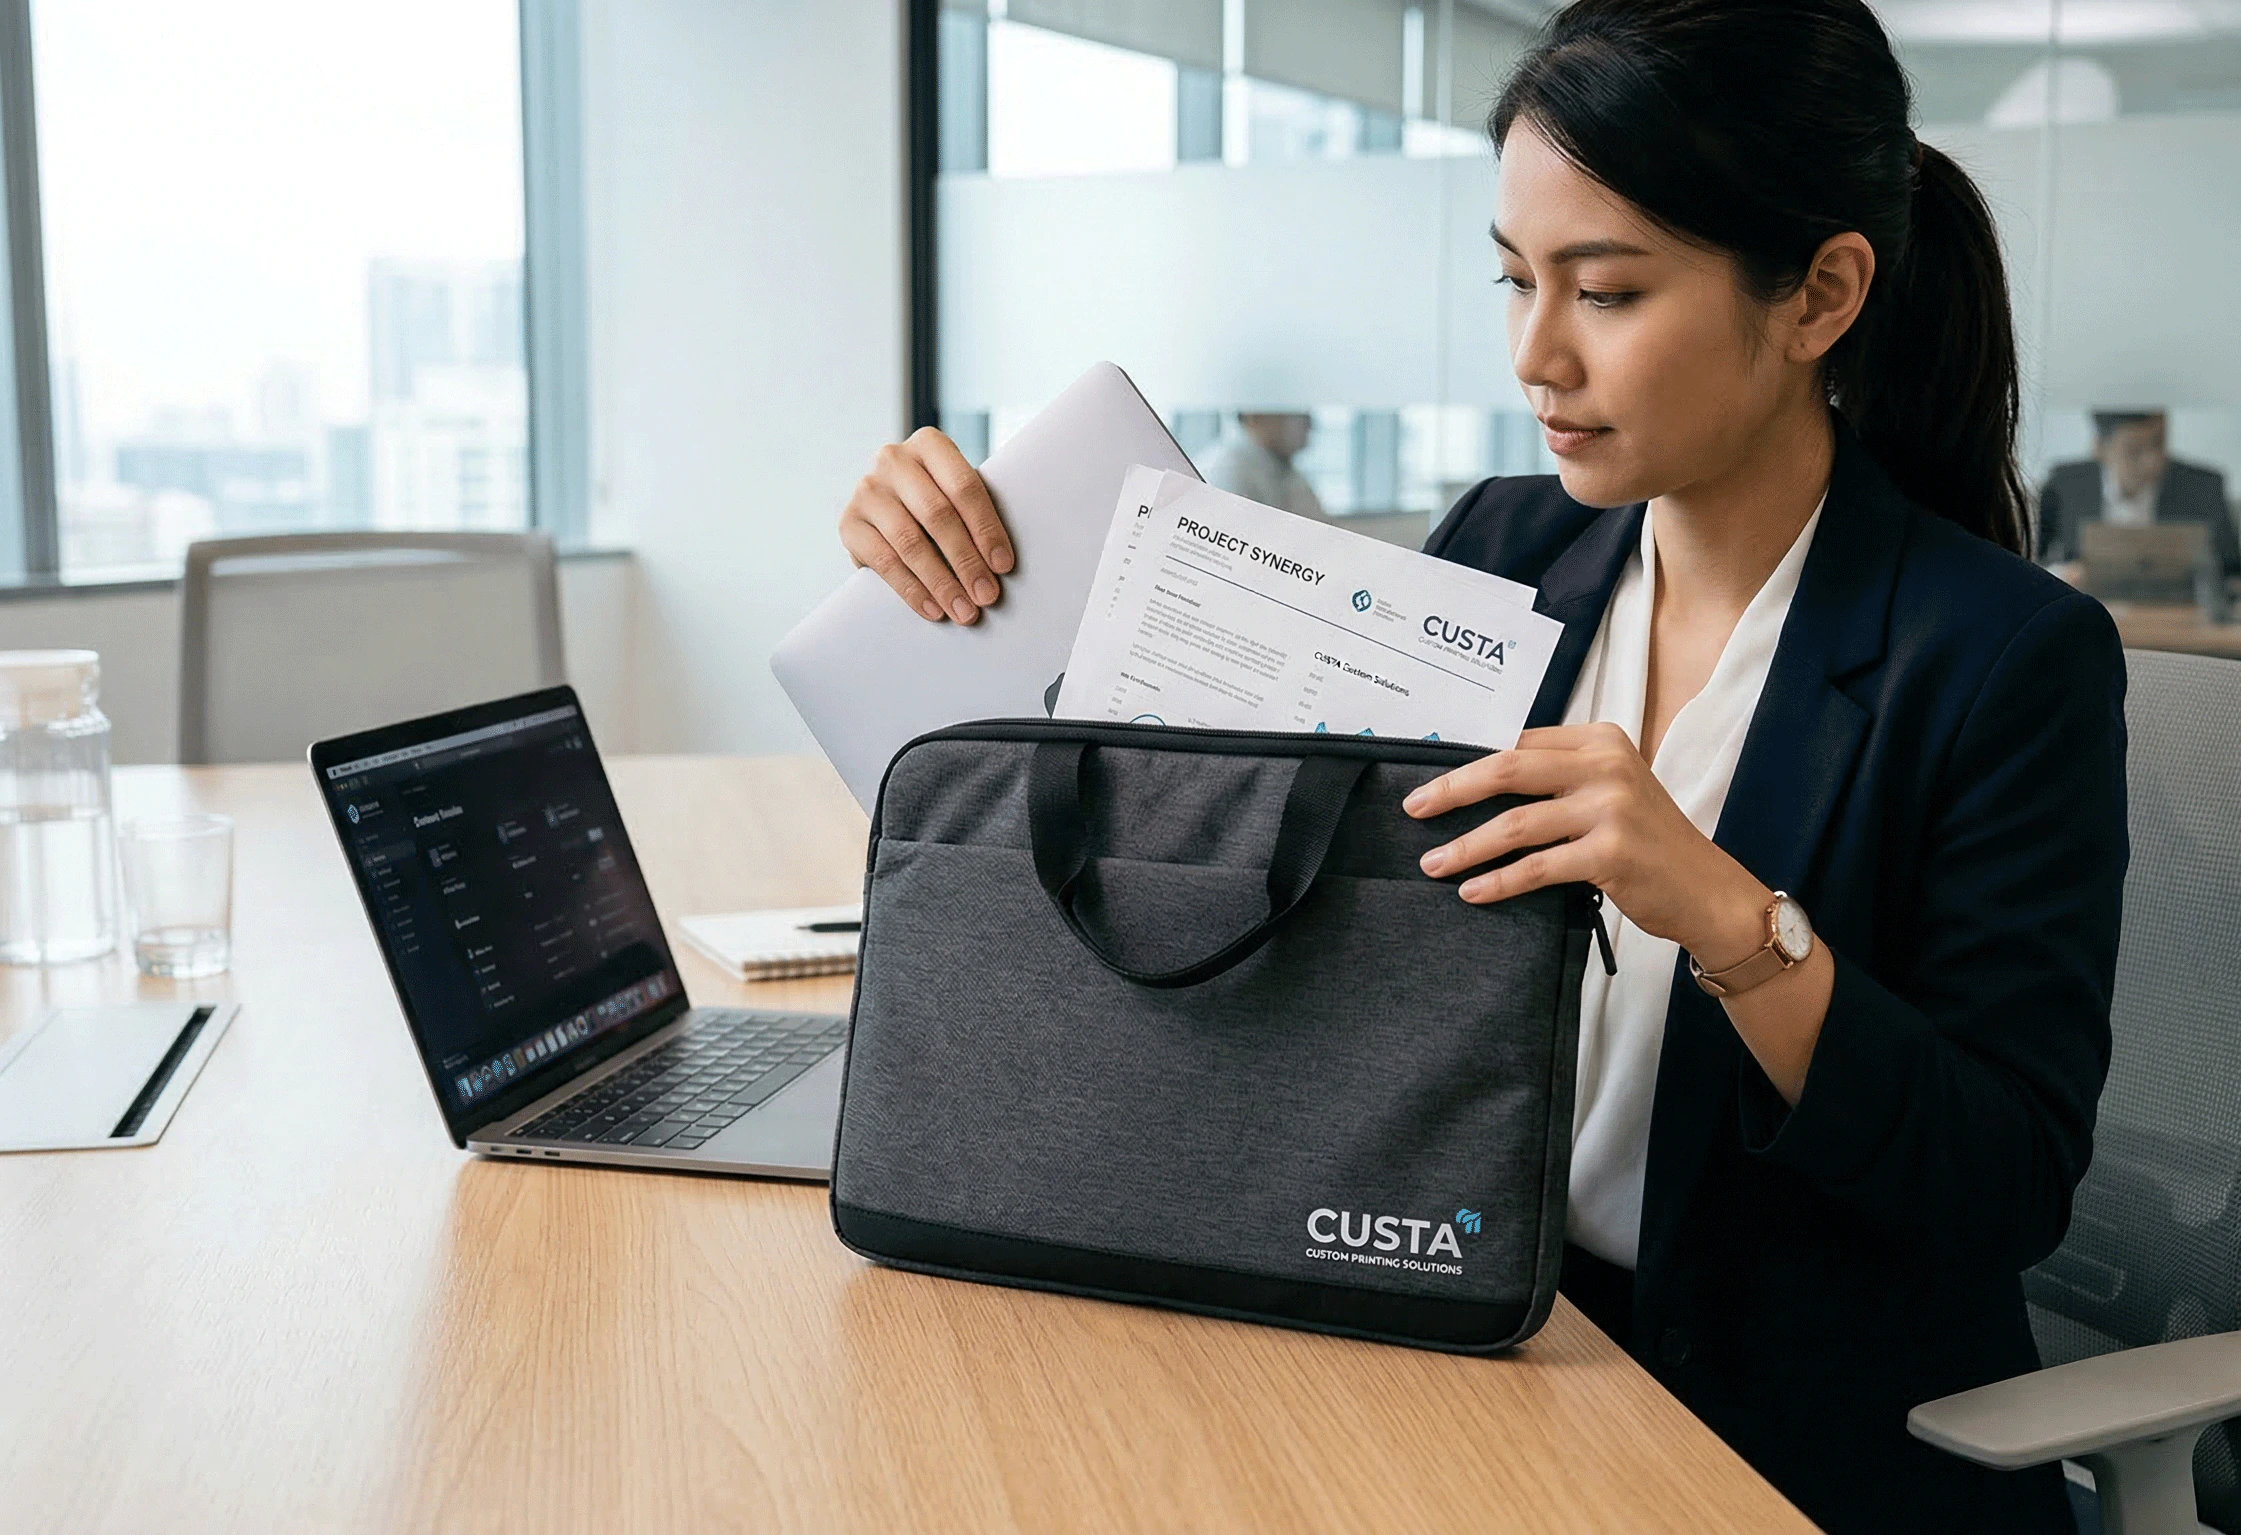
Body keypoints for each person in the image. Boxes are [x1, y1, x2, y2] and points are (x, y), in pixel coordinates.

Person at [833, 3, 2125, 1531]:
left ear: (1821, 294)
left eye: (1610, 290)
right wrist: (980, 580)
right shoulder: (1505, 552)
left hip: (1769, 1428)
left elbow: (2002, 1182)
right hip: (1461, 1338)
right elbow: (1259, 874)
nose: (1534, 353)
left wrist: (1727, 917)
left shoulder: (2003, 658)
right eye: (1517, 280)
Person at [2038, 408, 2239, 576]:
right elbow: (2033, 560)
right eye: (2134, 451)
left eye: (2159, 443)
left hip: (2177, 612)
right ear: (2100, 449)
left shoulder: (2203, 487)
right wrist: (2063, 573)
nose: (2153, 461)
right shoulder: (2065, 484)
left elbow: (2231, 570)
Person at [1200, 411, 1328, 520]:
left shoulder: (1284, 469)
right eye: (1295, 414)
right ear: (1255, 416)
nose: (1309, 424)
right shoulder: (1229, 472)